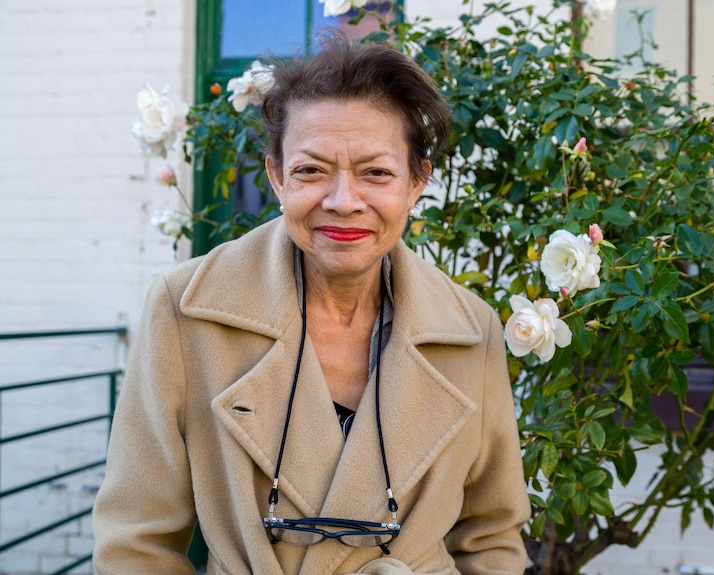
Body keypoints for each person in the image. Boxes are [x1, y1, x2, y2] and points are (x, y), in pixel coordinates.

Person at [93, 32, 530, 575]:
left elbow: (492, 536)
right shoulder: (185, 311)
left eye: (376, 172)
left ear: (417, 181)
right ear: (276, 176)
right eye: (310, 171)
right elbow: (135, 545)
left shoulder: (472, 331)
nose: (343, 202)